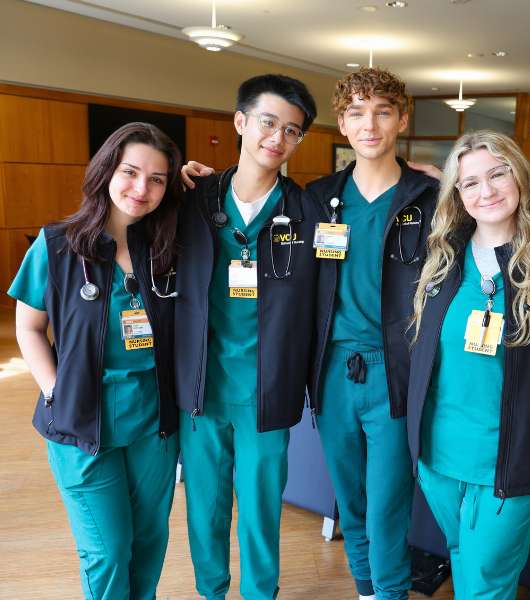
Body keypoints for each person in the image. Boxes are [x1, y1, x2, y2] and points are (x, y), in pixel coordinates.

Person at [9, 122, 183, 598]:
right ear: (107, 170)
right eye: (130, 172)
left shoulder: (168, 247)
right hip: (82, 420)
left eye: (157, 178)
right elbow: (28, 328)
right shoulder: (57, 246)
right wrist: (55, 390)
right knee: (107, 550)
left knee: (149, 542)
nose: (141, 188)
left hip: (153, 424)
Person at [173, 74, 318, 599]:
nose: (277, 138)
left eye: (292, 131)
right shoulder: (191, 197)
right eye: (267, 122)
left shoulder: (309, 213)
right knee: (204, 506)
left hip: (266, 390)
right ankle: (211, 592)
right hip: (202, 386)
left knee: (260, 510)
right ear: (240, 122)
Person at [406, 130, 530, 599]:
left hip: (509, 461)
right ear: (457, 193)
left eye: (498, 174)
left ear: (520, 176)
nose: (486, 191)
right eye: (470, 182)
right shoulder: (442, 258)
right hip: (437, 455)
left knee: (486, 583)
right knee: (460, 556)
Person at [305, 67, 439, 600]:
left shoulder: (430, 196)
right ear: (342, 123)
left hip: (394, 371)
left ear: (401, 119)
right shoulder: (318, 198)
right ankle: (367, 589)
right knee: (351, 498)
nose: (370, 124)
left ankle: (388, 591)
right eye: (357, 113)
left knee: (387, 502)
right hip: (333, 371)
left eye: (383, 111)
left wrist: (448, 181)